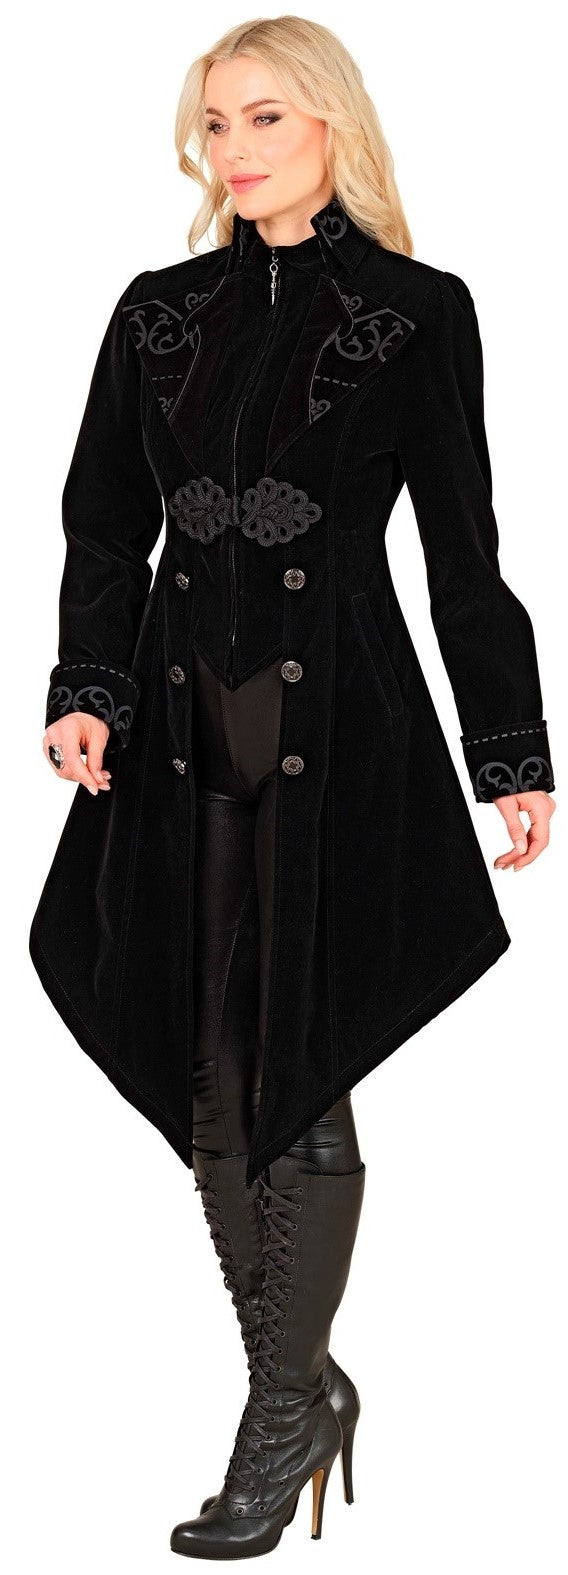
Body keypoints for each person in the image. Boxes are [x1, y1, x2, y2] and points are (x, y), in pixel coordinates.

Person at [29, 15, 556, 1561]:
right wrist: (88, 687)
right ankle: (299, 1386)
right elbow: (99, 523)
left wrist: (510, 752)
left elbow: (464, 551)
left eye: (267, 116)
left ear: (331, 123)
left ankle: (276, 1414)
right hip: (179, 733)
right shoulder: (158, 313)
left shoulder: (415, 313)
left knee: (299, 1059)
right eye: (216, 123)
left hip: (337, 733)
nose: (236, 147)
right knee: (205, 1067)